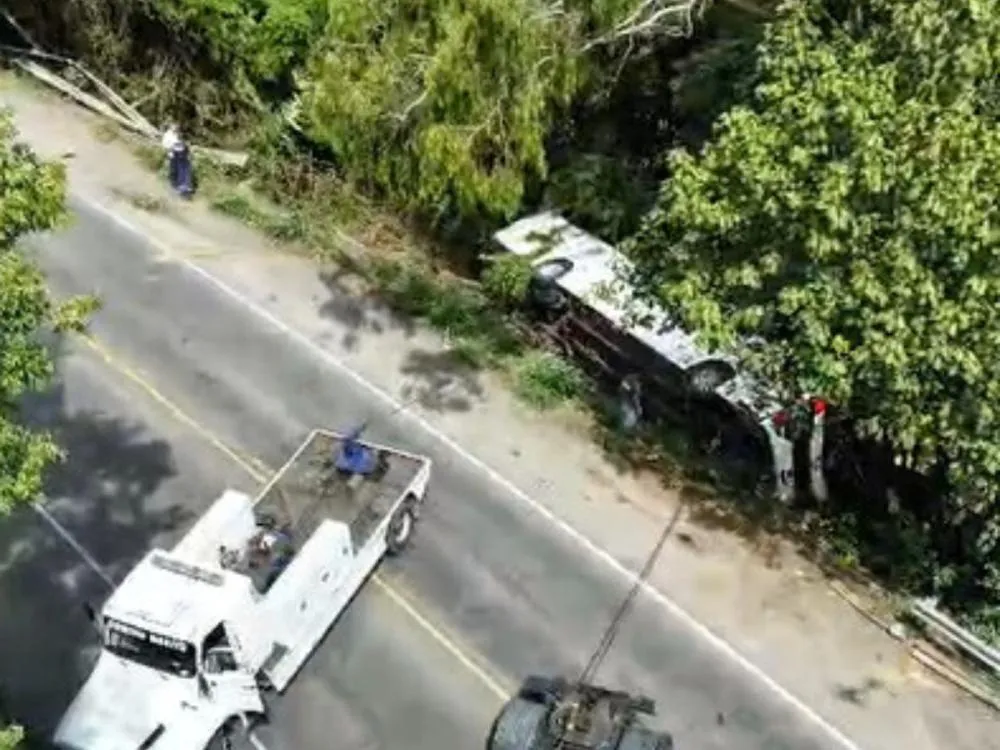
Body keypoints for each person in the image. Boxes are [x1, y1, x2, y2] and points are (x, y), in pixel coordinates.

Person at [161, 123, 194, 198]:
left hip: (182, 156)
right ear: (170, 126)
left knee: (184, 171)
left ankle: (184, 188)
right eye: (174, 126)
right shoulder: (167, 135)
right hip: (173, 156)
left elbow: (185, 146)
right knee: (174, 172)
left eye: (176, 126)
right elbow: (165, 146)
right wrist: (172, 147)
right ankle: (175, 188)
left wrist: (187, 149)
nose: (176, 127)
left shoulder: (178, 134)